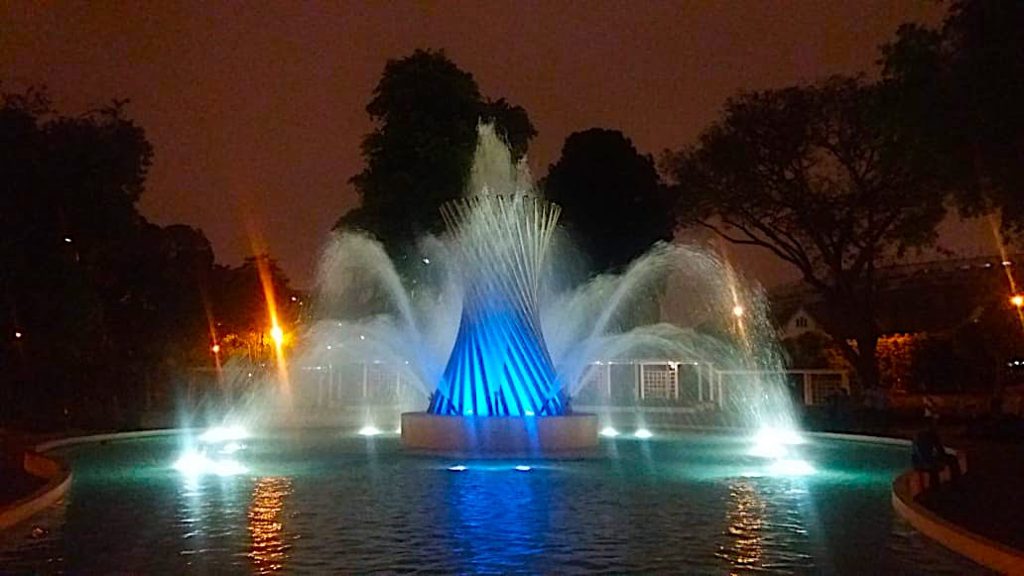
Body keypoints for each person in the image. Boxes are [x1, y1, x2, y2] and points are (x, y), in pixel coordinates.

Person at [911, 418, 961, 488]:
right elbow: (919, 454)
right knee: (933, 467)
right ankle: (935, 487)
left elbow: (940, 450)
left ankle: (956, 482)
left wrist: (944, 457)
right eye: (933, 424)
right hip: (921, 461)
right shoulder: (920, 437)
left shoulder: (933, 435)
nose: (935, 426)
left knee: (952, 459)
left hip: (928, 458)